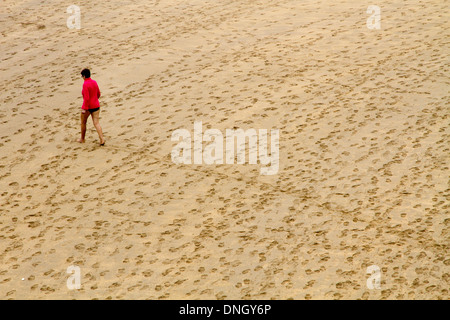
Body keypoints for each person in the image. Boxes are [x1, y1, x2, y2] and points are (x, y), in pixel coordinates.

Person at [78, 68, 105, 146]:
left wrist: (84, 109)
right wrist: (95, 100)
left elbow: (86, 98)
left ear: (84, 76)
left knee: (83, 122)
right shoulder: (94, 82)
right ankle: (102, 139)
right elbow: (98, 93)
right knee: (96, 123)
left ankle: (82, 139)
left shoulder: (85, 84)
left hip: (88, 107)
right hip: (96, 105)